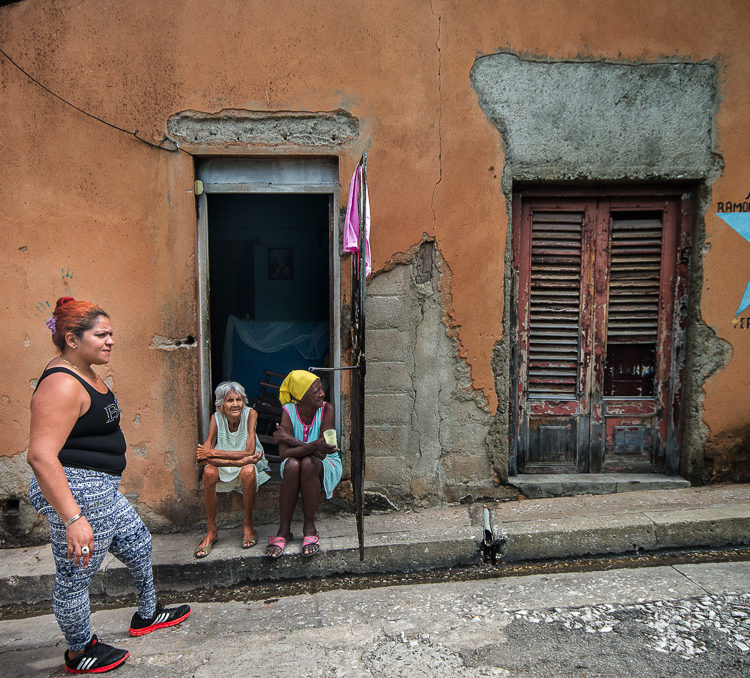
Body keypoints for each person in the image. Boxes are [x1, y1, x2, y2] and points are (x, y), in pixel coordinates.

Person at [27, 297, 191, 674]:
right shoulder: (62, 385)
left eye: (111, 333)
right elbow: (40, 456)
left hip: (103, 489)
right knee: (75, 576)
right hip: (79, 492)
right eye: (101, 334)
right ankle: (79, 650)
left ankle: (148, 614)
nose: (110, 341)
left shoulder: (84, 370)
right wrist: (72, 519)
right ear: (71, 338)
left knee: (139, 543)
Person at [266, 369, 341, 558]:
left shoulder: (327, 409)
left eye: (321, 389)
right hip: (295, 461)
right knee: (292, 464)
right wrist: (314, 445)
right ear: (301, 396)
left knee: (308, 462)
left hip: (325, 463)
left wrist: (290, 439)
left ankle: (310, 527)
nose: (322, 394)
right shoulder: (289, 411)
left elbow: (323, 451)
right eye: (316, 391)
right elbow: (284, 454)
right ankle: (284, 530)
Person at [194, 381, 271, 557]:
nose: (235, 404)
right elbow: (202, 458)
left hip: (249, 463)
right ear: (221, 405)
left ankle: (248, 524)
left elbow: (249, 452)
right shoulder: (216, 417)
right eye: (230, 400)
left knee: (249, 470)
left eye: (238, 399)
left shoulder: (250, 414)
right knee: (209, 471)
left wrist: (213, 452)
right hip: (231, 464)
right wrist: (237, 461)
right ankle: (212, 530)